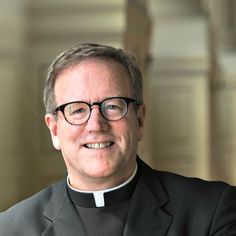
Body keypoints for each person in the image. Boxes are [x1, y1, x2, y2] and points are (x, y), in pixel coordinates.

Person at [0, 43, 236, 236]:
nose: (95, 125)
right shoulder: (11, 229)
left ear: (140, 120)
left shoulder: (212, 211)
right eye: (77, 110)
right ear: (54, 130)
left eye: (112, 106)